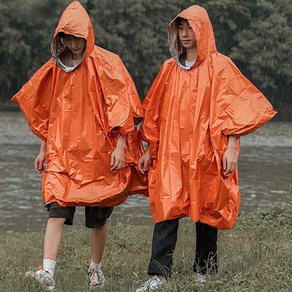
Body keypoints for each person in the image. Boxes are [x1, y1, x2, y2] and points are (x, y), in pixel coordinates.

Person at [136, 5, 276, 291]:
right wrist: (149, 147)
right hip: (172, 153)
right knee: (167, 207)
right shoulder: (169, 68)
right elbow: (155, 112)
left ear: (202, 30)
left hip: (207, 150)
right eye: (181, 29)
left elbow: (236, 107)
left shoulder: (220, 66)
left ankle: (205, 269)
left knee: (207, 207)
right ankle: (159, 274)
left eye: (190, 28)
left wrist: (231, 147)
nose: (185, 34)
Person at [11, 1, 147, 290]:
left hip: (99, 153)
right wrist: (43, 147)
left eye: (77, 38)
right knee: (56, 208)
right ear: (59, 38)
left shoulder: (108, 63)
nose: (73, 44)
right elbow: (47, 111)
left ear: (88, 35)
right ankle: (47, 272)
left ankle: (95, 270)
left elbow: (122, 106)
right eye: (67, 38)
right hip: (62, 153)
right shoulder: (55, 69)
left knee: (99, 216)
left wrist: (121, 145)